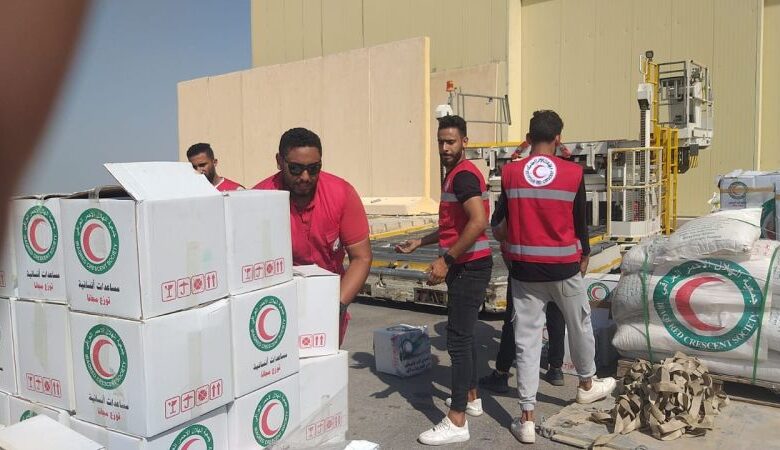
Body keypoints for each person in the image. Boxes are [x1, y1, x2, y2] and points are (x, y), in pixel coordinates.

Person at [493, 110, 615, 444]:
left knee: (527, 340)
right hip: (564, 267)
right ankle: (586, 384)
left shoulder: (511, 172)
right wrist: (585, 254)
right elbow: (580, 222)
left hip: (525, 271)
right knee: (580, 324)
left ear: (528, 138)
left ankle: (526, 418)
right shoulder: (572, 173)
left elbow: (498, 224)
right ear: (558, 138)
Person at [396, 115, 492, 446]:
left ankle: (457, 420)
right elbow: (454, 225)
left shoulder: (463, 176)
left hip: (468, 267)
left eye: (451, 141)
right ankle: (472, 398)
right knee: (464, 336)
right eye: (441, 142)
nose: (445, 147)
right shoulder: (456, 174)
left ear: (465, 142)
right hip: (467, 265)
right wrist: (420, 242)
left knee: (458, 341)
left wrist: (445, 261)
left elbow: (478, 222)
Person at [254, 128, 372, 346]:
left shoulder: (342, 194)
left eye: (313, 168)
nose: (305, 177)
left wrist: (337, 305)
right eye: (295, 169)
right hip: (276, 308)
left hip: (329, 302)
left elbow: (361, 257)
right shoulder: (258, 200)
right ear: (279, 161)